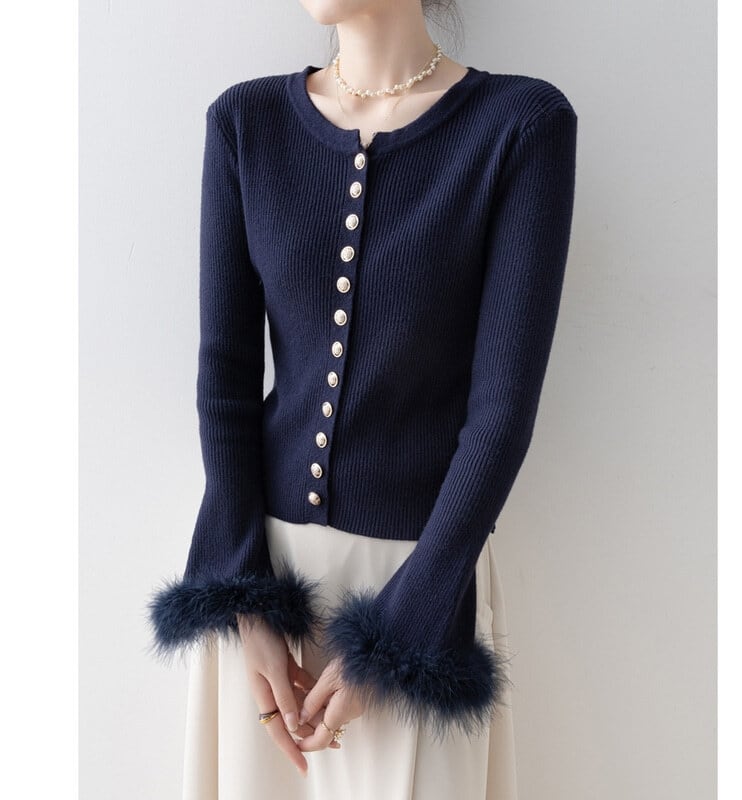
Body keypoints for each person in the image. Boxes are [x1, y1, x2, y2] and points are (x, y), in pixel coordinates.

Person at [145, 1, 578, 797]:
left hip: (423, 583)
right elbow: (225, 376)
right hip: (266, 584)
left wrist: (402, 633)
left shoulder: (521, 125)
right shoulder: (245, 121)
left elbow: (502, 410)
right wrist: (245, 602)